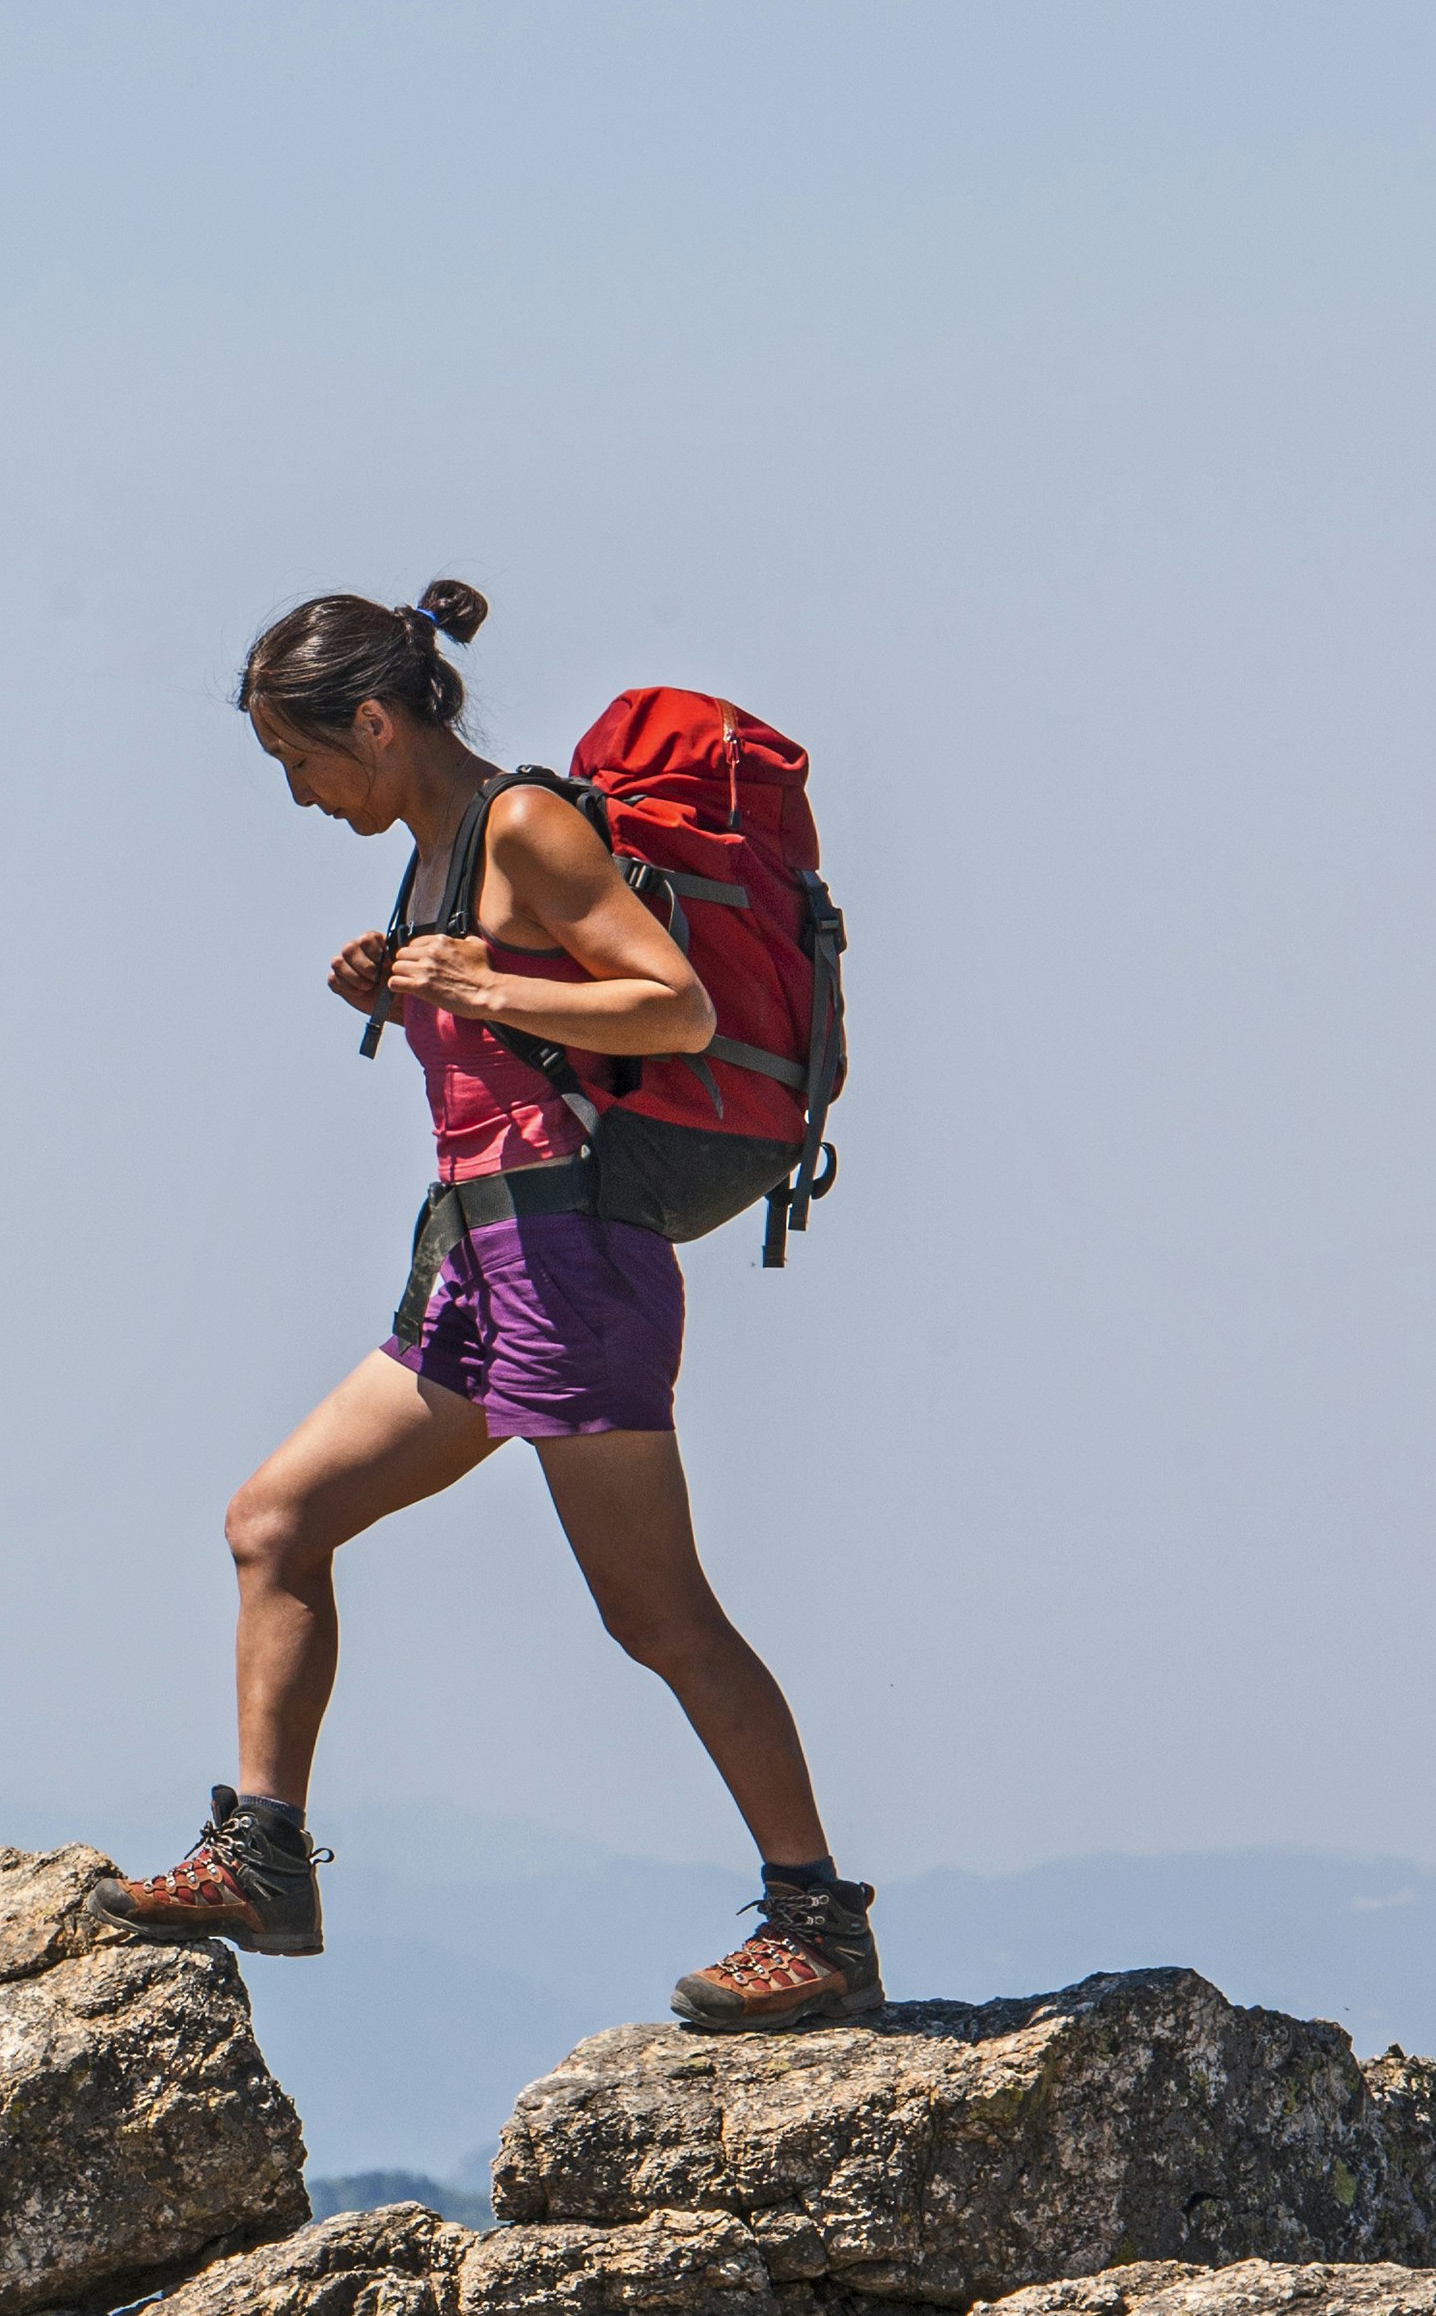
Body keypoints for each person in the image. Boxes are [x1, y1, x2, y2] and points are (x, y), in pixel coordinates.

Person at [97, 579, 878, 2029]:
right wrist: (402, 990)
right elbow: (501, 1031)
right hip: (476, 1261)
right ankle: (265, 1857)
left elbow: (675, 1007)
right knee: (275, 1522)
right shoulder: (432, 852)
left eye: (303, 761)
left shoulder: (522, 825)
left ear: (378, 722)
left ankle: (817, 1920)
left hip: (572, 1261)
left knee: (659, 1617)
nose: (300, 795)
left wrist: (481, 987)